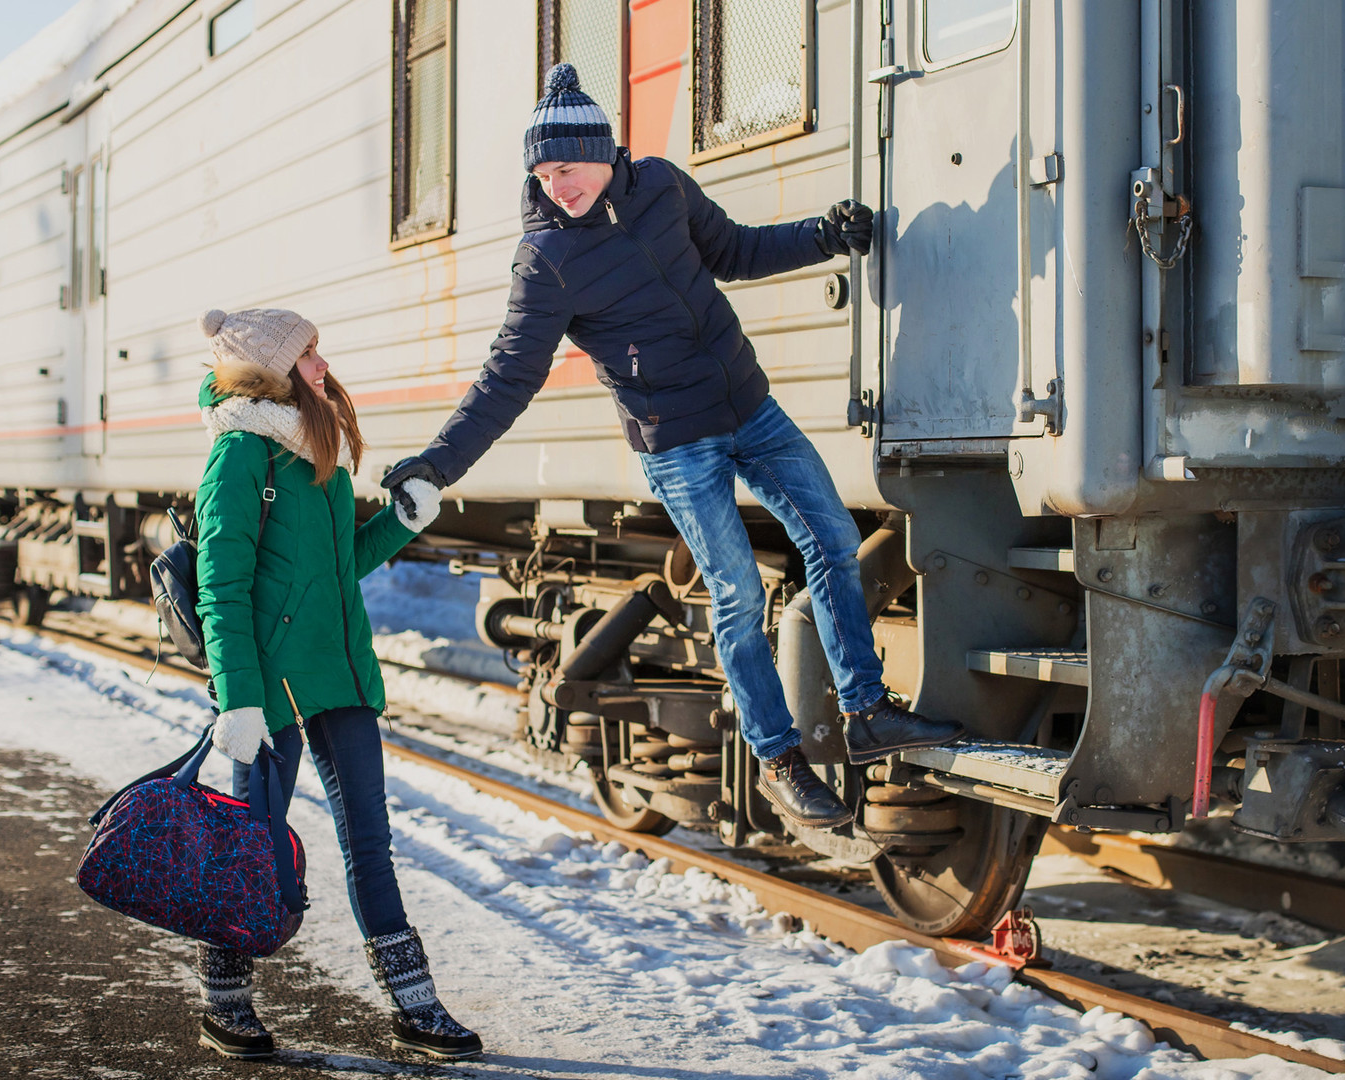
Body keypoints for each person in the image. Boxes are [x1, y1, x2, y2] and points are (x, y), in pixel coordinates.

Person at [381, 64, 962, 832]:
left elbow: (735, 251)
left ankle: (866, 712)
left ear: (605, 150)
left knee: (832, 535)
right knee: (739, 593)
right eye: (543, 173)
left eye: (568, 167)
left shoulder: (660, 186)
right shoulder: (546, 261)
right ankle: (780, 758)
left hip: (749, 407)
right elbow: (506, 380)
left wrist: (823, 236)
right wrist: (437, 463)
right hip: (678, 442)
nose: (558, 186)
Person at [190, 306, 478, 1061]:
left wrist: (402, 522)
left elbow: (337, 566)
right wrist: (238, 696)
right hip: (273, 689)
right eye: (308, 355)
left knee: (370, 842)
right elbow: (221, 586)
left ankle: (415, 1005)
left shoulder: (310, 445)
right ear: (272, 370)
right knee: (252, 848)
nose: (322, 365)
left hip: (343, 675)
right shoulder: (240, 455)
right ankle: (225, 998)